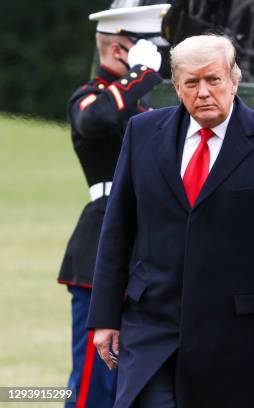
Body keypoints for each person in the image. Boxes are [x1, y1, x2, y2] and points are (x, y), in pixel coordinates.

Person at [86, 34, 254, 407]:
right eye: (192, 82)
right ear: (177, 87)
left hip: (235, 337)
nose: (204, 91)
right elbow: (117, 231)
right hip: (151, 330)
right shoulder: (142, 133)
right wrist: (105, 317)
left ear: (234, 80)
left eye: (214, 79)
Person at [58, 4, 168, 407]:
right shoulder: (91, 98)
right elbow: (93, 123)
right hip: (103, 243)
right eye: (154, 49)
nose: (162, 58)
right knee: (94, 379)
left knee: (137, 376)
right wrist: (138, 76)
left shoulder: (138, 107)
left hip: (148, 251)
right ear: (123, 50)